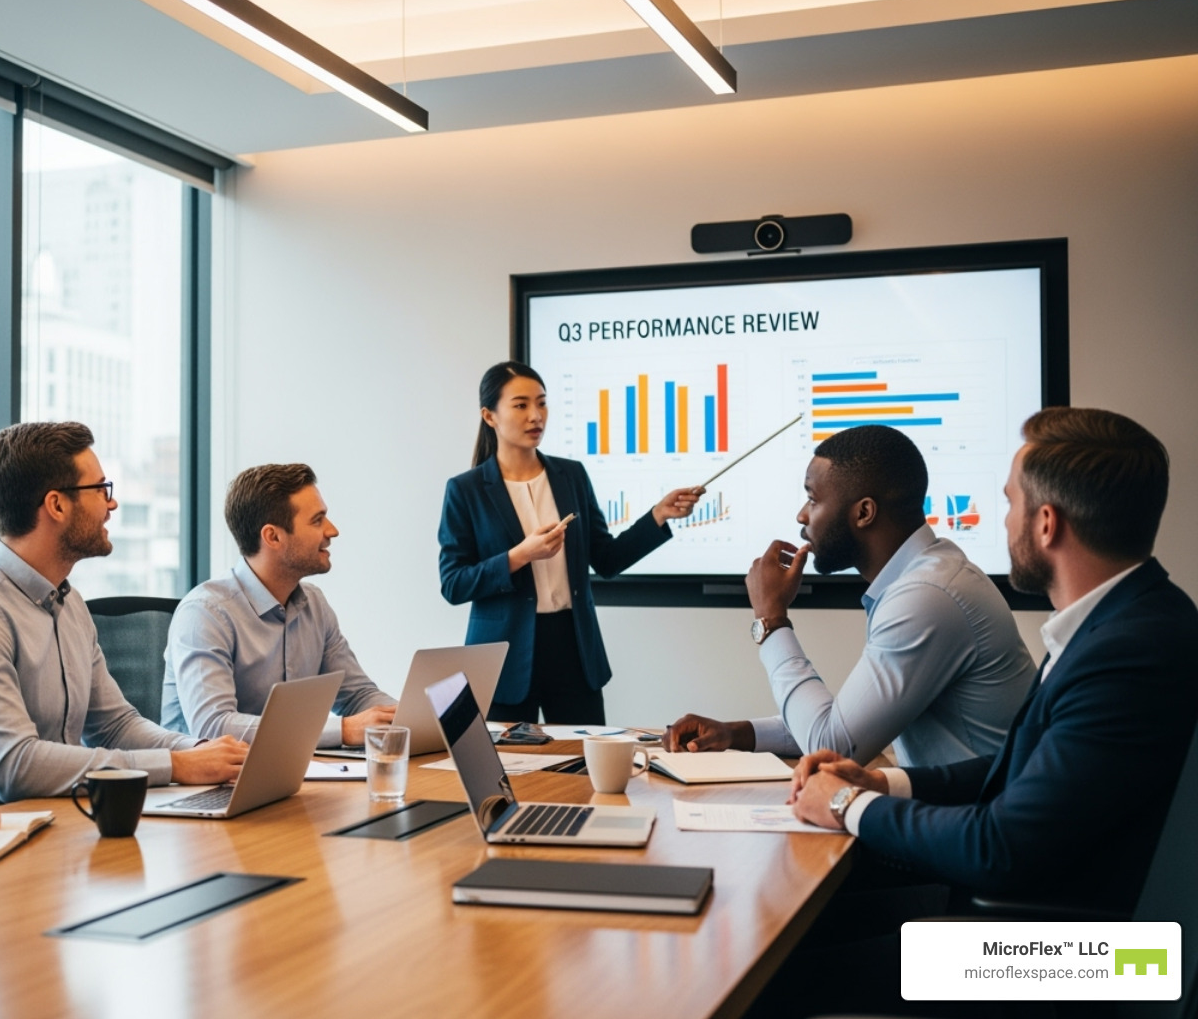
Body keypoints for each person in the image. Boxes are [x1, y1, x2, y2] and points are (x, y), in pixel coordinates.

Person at [788, 407, 1197, 912]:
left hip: (1069, 962)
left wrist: (846, 804)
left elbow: (998, 847)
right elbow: (1023, 776)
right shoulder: (1119, 622)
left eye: (1010, 503)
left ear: (1046, 524)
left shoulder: (1129, 654)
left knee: (794, 972)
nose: (1004, 521)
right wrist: (881, 782)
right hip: (1033, 920)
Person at [0, 422, 247, 803]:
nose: (112, 504)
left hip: (64, 825)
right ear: (56, 504)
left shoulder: (68, 602)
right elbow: (15, 767)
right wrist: (175, 764)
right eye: (102, 489)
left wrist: (202, 750)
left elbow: (115, 726)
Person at [666, 424, 1036, 767]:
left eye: (812, 499)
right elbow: (846, 724)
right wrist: (736, 734)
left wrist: (771, 620)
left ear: (864, 513)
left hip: (976, 824)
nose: (801, 516)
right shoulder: (922, 577)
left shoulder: (927, 597)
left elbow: (832, 747)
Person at [438, 361, 702, 724]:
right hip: (503, 657)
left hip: (574, 649)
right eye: (521, 405)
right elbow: (453, 584)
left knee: (583, 771)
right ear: (489, 416)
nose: (536, 416)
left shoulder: (571, 475)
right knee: (510, 773)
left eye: (542, 403)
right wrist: (519, 556)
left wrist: (657, 515)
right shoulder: (465, 490)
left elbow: (607, 559)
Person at [164, 464, 397, 747]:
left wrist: (409, 721)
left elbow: (358, 696)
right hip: (208, 785)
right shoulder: (205, 614)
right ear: (273, 537)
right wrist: (343, 730)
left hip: (291, 774)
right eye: (317, 520)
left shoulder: (315, 605)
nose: (332, 530)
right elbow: (214, 726)